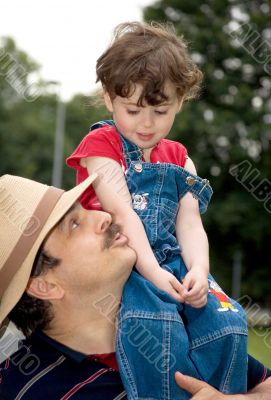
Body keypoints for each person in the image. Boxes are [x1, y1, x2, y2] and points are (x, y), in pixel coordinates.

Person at [67, 21, 248, 396]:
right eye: (132, 110)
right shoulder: (101, 146)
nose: (146, 123)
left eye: (160, 110)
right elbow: (123, 214)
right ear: (109, 98)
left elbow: (190, 224)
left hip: (172, 260)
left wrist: (199, 268)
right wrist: (151, 271)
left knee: (230, 322)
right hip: (123, 261)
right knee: (153, 325)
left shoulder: (180, 159)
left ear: (180, 100)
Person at [0, 174, 270, 400]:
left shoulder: (173, 317)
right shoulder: (27, 389)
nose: (103, 215)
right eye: (74, 224)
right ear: (45, 285)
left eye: (85, 209)